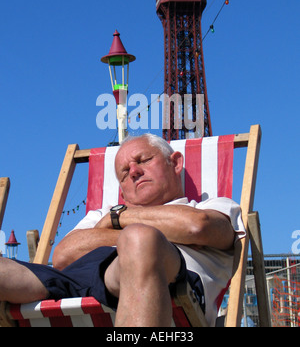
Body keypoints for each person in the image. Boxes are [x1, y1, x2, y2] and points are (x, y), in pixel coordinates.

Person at [0, 134, 246, 327]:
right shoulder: (100, 214)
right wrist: (128, 230)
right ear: (122, 192)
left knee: (140, 239)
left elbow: (196, 226)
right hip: (79, 281)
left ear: (176, 162)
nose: (135, 172)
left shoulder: (212, 205)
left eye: (143, 161)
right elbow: (64, 255)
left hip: (173, 283)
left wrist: (120, 218)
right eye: (124, 173)